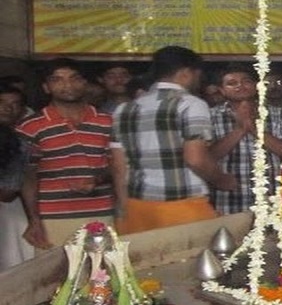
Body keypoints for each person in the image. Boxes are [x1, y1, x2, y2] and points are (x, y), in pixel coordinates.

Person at [110, 46, 237, 234]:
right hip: (182, 206)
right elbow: (195, 159)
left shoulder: (124, 109)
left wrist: (123, 210)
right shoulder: (191, 104)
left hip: (137, 207)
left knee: (148, 262)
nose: (198, 80)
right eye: (197, 75)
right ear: (186, 73)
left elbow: (118, 166)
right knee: (192, 261)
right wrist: (222, 180)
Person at [16, 59, 116, 250]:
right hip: (52, 219)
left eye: (74, 78)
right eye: (58, 80)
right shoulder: (29, 127)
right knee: (55, 277)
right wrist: (34, 220)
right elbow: (27, 177)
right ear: (46, 87)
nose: (67, 85)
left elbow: (119, 166)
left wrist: (98, 180)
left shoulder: (107, 121)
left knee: (102, 276)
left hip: (102, 213)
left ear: (85, 83)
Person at [208, 64, 282, 214]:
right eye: (232, 83)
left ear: (256, 85)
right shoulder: (211, 116)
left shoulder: (279, 113)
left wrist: (254, 128)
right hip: (228, 199)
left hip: (271, 197)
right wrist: (240, 129)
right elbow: (209, 156)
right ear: (221, 90)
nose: (240, 86)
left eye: (246, 81)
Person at [0, 84, 34, 271]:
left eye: (15, 104)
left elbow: (8, 193)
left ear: (22, 111)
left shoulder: (21, 141)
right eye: (2, 102)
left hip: (10, 210)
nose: (7, 107)